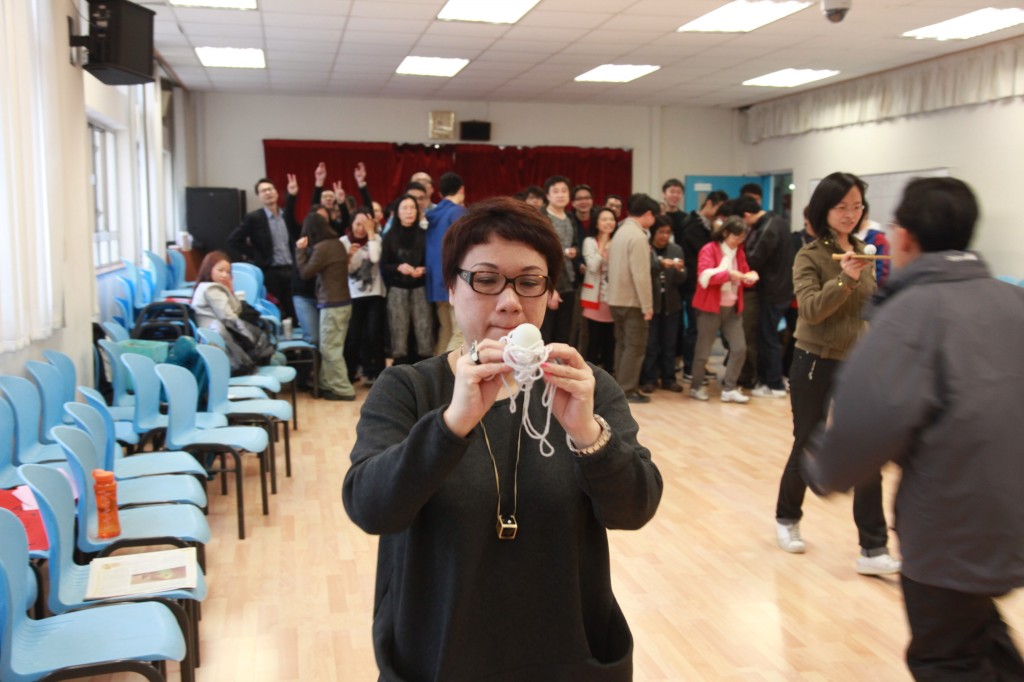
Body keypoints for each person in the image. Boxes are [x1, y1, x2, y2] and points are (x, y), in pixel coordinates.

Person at [342, 196, 662, 681]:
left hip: (569, 658)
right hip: (441, 659)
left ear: (549, 294)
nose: (511, 301)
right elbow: (371, 508)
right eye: (486, 279)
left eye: (529, 282)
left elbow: (635, 509)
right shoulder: (409, 388)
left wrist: (587, 434)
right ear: (452, 288)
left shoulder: (585, 386)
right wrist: (452, 423)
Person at [804, 177, 1024, 680]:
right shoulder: (1013, 301)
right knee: (979, 635)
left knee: (946, 658)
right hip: (1009, 512)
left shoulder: (911, 314)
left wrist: (823, 469)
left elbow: (869, 419)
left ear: (903, 237)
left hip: (952, 524)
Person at [773, 171, 900, 575]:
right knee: (807, 442)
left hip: (857, 364)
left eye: (857, 206)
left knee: (866, 449)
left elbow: (867, 308)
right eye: (842, 206)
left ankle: (873, 547)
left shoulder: (864, 251)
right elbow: (811, 310)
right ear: (823, 210)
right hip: (814, 360)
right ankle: (787, 518)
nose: (850, 213)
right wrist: (846, 278)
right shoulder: (809, 256)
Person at [726, 195, 793, 397]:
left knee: (768, 338)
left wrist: (737, 264)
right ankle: (770, 380)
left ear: (746, 215)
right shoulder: (778, 221)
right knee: (769, 336)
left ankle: (774, 384)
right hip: (781, 288)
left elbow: (755, 259)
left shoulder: (769, 227)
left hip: (773, 290)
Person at [689, 217, 757, 403]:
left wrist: (749, 276)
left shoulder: (739, 252)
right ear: (725, 233)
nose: (738, 241)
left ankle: (730, 388)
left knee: (739, 348)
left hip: (732, 308)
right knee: (703, 350)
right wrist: (729, 275)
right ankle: (696, 386)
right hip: (710, 308)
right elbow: (704, 276)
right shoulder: (709, 249)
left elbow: (744, 273)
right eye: (736, 237)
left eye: (742, 238)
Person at [296, 212, 355, 401]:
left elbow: (306, 272)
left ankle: (343, 389)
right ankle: (326, 385)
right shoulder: (337, 244)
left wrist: (300, 251)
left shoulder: (323, 248)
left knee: (330, 349)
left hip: (332, 304)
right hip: (342, 302)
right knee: (330, 346)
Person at [607, 193, 658, 404]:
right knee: (635, 346)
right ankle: (627, 389)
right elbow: (641, 275)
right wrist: (647, 305)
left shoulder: (620, 231)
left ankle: (618, 387)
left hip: (615, 298)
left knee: (622, 344)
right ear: (648, 214)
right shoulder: (638, 236)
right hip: (632, 301)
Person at [227, 176, 301, 320]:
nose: (268, 193)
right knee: (276, 311)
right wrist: (256, 255)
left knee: (294, 312)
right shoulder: (254, 218)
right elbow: (233, 240)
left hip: (291, 270)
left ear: (276, 192)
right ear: (259, 196)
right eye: (263, 191)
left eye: (270, 189)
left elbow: (297, 236)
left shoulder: (286, 215)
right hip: (270, 271)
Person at [191, 250, 278, 374]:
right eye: (220, 270)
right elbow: (229, 317)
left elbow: (236, 312)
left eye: (228, 272)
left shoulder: (205, 287)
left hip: (221, 342)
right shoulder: (212, 289)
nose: (224, 275)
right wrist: (230, 292)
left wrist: (230, 291)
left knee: (274, 358)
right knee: (275, 359)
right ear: (209, 269)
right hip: (223, 344)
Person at [679, 190, 728, 383]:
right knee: (695, 328)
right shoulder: (692, 225)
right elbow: (705, 253)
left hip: (703, 285)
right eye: (718, 209)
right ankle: (690, 368)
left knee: (702, 329)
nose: (720, 215)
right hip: (693, 285)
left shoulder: (706, 225)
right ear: (709, 203)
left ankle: (699, 366)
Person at [381, 193, 434, 363]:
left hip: (420, 288)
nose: (409, 211)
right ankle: (401, 368)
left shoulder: (425, 234)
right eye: (405, 208)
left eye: (412, 208)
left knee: (423, 329)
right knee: (399, 331)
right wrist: (398, 267)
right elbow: (384, 265)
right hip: (398, 289)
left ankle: (424, 368)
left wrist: (424, 269)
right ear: (397, 212)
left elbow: (433, 260)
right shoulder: (390, 236)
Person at [639, 217, 685, 393]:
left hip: (672, 304)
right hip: (652, 303)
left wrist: (680, 270)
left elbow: (682, 279)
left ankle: (669, 378)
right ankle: (649, 379)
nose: (664, 236)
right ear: (653, 232)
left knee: (669, 345)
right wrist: (660, 265)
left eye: (668, 232)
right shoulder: (646, 248)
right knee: (651, 344)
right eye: (661, 232)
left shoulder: (676, 249)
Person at [341, 207, 386, 386]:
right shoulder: (343, 241)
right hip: (353, 295)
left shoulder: (376, 239)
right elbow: (344, 270)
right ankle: (353, 374)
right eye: (358, 224)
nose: (361, 228)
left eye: (365, 224)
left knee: (374, 334)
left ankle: (381, 376)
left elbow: (374, 258)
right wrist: (349, 256)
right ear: (351, 224)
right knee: (354, 336)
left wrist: (371, 233)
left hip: (375, 293)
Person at [425, 172, 467, 355]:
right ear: (462, 190)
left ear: (440, 193)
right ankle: (448, 370)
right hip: (454, 278)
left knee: (446, 330)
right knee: (461, 332)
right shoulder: (458, 212)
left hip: (434, 281)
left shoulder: (432, 214)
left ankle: (434, 369)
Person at [540, 175, 580, 345]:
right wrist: (550, 287)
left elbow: (575, 243)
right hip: (550, 281)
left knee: (564, 333)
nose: (561, 194)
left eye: (564, 191)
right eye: (555, 191)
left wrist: (575, 251)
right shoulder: (541, 217)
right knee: (545, 333)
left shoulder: (570, 217)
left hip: (569, 281)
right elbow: (540, 252)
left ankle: (559, 363)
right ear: (547, 196)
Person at [580, 206, 617, 372]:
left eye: (611, 219)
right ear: (596, 223)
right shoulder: (589, 242)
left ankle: (609, 374)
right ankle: (591, 374)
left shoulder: (618, 241)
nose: (609, 222)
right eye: (604, 219)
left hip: (614, 298)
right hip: (595, 298)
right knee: (593, 340)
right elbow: (593, 267)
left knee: (610, 340)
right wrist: (602, 245)